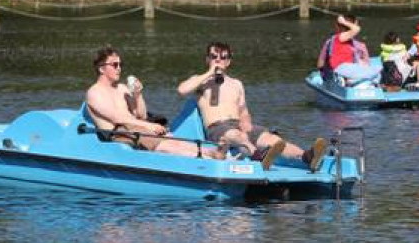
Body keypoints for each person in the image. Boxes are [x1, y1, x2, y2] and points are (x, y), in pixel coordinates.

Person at [178, 42, 328, 171]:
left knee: (273, 139)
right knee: (239, 136)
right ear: (207, 59)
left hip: (238, 125)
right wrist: (210, 72)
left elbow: (243, 111)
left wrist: (246, 121)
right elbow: (182, 90)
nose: (218, 60)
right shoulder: (200, 81)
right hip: (218, 129)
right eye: (214, 57)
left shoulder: (236, 84)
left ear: (228, 62)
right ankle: (259, 157)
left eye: (223, 57)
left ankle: (306, 157)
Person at [85, 46, 222, 159]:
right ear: (101, 68)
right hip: (118, 134)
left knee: (171, 138)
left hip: (133, 128)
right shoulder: (94, 93)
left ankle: (212, 152)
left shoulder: (122, 88)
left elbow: (140, 114)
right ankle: (205, 159)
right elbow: (117, 118)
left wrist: (138, 95)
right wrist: (149, 126)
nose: (119, 68)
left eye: (121, 64)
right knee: (164, 144)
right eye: (115, 65)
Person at [316, 13, 381, 85]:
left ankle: (348, 80)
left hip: (344, 67)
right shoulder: (340, 37)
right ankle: (346, 80)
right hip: (341, 68)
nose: (356, 25)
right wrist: (343, 21)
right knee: (378, 70)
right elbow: (357, 29)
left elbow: (320, 64)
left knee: (371, 70)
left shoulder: (339, 40)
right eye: (355, 24)